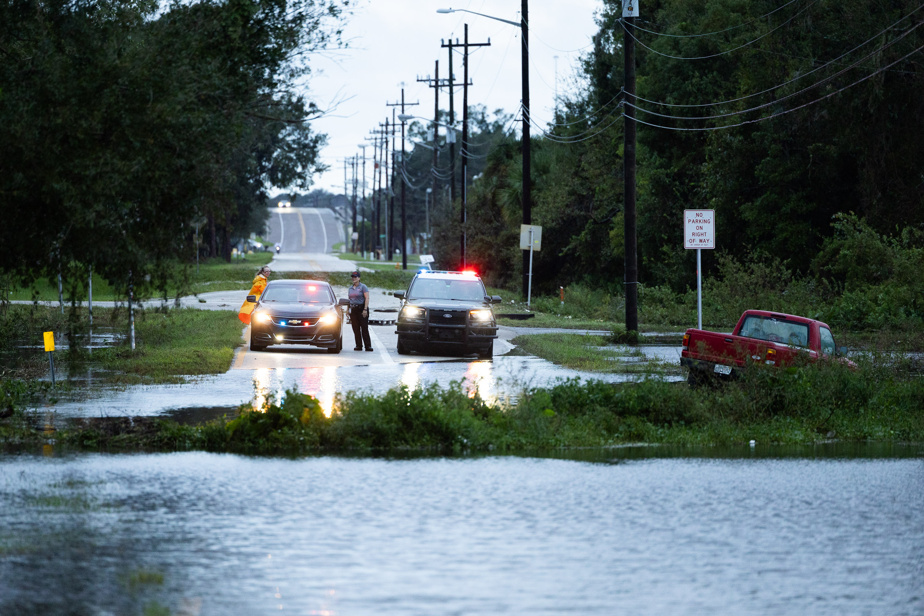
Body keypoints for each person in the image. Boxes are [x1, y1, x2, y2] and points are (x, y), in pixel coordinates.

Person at [347, 271, 372, 351]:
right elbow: (349, 300)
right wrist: (348, 310)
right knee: (355, 328)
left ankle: (368, 345)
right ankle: (358, 345)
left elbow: (367, 298)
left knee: (364, 328)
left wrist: (365, 309)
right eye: (353, 277)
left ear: (359, 278)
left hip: (361, 308)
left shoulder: (363, 287)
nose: (354, 278)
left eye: (355, 277)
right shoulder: (350, 288)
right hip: (353, 309)